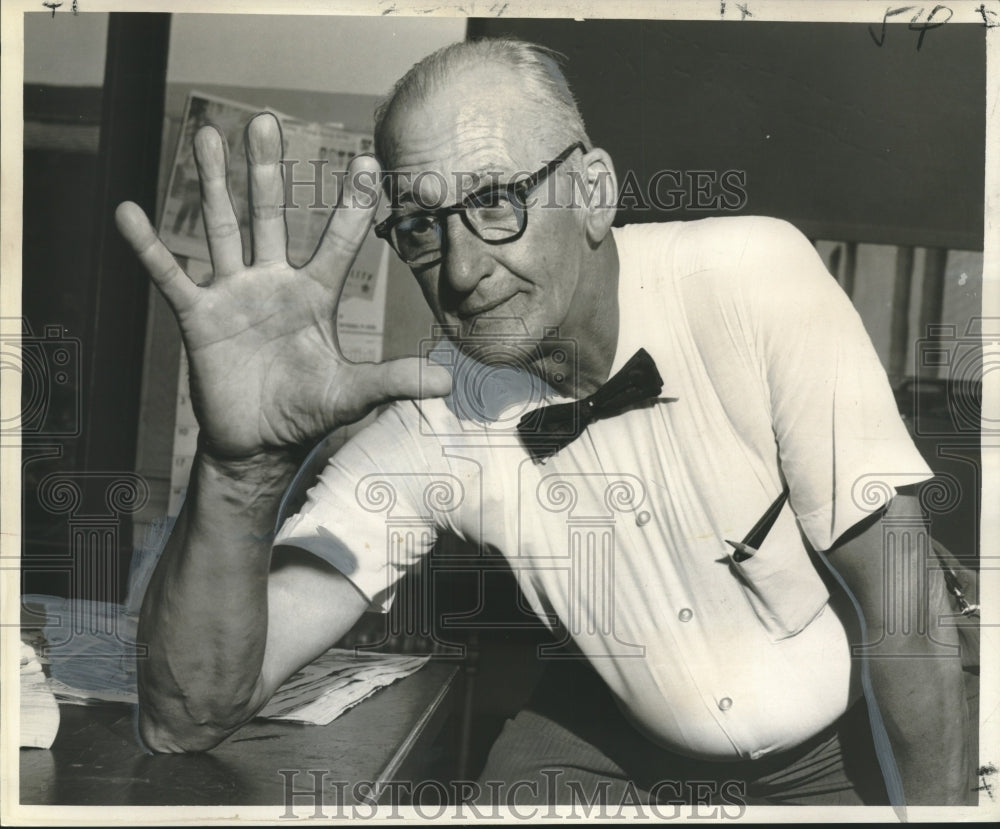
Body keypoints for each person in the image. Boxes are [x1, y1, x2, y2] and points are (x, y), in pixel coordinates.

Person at [114, 38, 972, 807]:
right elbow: (187, 714)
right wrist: (239, 468)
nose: (460, 268)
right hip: (624, 742)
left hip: (854, 734)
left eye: (496, 201)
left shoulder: (756, 278)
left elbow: (907, 614)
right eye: (420, 226)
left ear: (594, 192)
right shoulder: (430, 419)